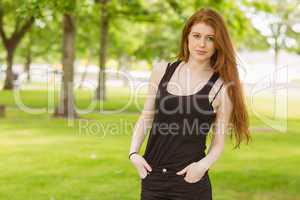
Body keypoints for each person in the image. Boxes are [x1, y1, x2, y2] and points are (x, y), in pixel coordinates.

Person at [128, 7, 251, 200]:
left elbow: (218, 144)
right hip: (153, 178)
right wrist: (133, 153)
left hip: (190, 182)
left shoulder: (221, 87)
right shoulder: (162, 71)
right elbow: (146, 116)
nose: (202, 44)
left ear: (218, 43)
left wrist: (201, 167)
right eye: (196, 36)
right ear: (187, 37)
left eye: (210, 38)